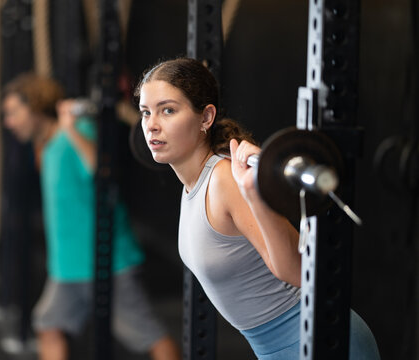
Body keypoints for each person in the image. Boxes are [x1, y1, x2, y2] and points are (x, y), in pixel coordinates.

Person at [135, 57, 381, 360]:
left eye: (168, 110)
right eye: (146, 112)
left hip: (320, 341)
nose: (152, 125)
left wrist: (253, 191)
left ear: (205, 117)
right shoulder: (193, 184)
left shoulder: (224, 180)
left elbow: (298, 270)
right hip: (275, 348)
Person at [2, 73, 180, 360]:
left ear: (34, 107)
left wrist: (71, 129)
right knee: (48, 325)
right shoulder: (46, 144)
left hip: (108, 262)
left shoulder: (78, 130)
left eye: (13, 112)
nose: (9, 122)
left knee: (150, 337)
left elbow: (103, 174)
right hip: (68, 267)